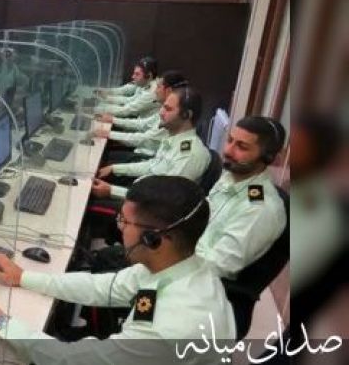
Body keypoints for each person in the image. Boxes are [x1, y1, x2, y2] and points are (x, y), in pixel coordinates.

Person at [0, 176, 235, 364]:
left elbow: (69, 360)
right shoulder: (177, 267)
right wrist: (24, 277)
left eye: (125, 222)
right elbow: (102, 287)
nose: (119, 228)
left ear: (155, 239)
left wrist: (0, 323)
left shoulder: (168, 331)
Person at [195, 116, 287, 339]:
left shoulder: (260, 209)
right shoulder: (231, 177)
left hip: (208, 294)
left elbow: (218, 265)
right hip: (190, 269)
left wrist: (166, 263)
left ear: (267, 157)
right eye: (230, 140)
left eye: (242, 147)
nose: (228, 150)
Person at [91, 87, 210, 200]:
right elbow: (152, 167)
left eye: (168, 109)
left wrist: (112, 191)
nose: (161, 112)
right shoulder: (173, 137)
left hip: (147, 208)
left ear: (186, 115)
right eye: (163, 107)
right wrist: (115, 168)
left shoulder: (190, 155)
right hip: (141, 191)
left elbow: (164, 197)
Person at [95, 70, 188, 164]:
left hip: (145, 156)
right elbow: (143, 124)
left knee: (101, 158)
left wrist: (110, 133)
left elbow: (144, 138)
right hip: (141, 151)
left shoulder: (172, 118)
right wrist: (112, 121)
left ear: (168, 91)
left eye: (158, 87)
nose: (155, 91)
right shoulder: (165, 109)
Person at [95, 57, 159, 118]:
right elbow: (128, 96)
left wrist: (98, 109)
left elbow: (126, 110)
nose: (133, 77)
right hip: (136, 119)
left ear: (149, 76)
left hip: (137, 121)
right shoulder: (144, 83)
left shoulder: (151, 92)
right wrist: (106, 96)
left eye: (137, 74)